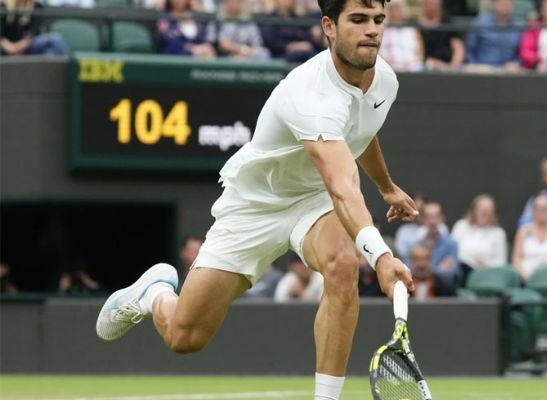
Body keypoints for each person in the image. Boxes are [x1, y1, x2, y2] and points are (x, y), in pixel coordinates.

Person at [96, 2, 416, 400]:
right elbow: (342, 186)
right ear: (329, 27)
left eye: (378, 20)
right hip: (257, 202)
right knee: (185, 336)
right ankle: (155, 294)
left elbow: (360, 132)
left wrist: (385, 185)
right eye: (358, 20)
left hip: (313, 198)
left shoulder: (384, 80)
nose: (372, 31)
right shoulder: (309, 94)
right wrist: (383, 257)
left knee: (343, 262)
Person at [451, 194, 508, 283]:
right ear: (473, 210)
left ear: (493, 213)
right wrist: (471, 262)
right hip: (461, 269)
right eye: (481, 209)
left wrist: (487, 264)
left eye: (488, 210)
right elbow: (452, 251)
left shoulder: (498, 233)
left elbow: (501, 262)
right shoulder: (461, 226)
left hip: (485, 273)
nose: (484, 213)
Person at [513, 195, 547, 281]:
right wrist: (525, 275)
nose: (543, 212)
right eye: (540, 209)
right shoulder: (523, 232)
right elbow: (516, 260)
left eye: (546, 208)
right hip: (526, 279)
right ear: (533, 210)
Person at [464, 0, 524, 73]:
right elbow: (470, 49)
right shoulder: (480, 22)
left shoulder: (520, 25)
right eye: (501, 3)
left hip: (509, 69)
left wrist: (516, 63)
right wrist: (473, 64)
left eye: (507, 3)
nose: (505, 6)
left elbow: (523, 52)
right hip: (482, 67)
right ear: (494, 5)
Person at [1, 0, 69, 56]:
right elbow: (1, 35)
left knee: (52, 44)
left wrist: (18, 47)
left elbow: (34, 32)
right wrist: (12, 48)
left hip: (30, 45)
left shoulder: (36, 6)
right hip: (9, 48)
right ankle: (72, 66)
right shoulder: (4, 6)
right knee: (51, 47)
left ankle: (70, 66)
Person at [412, 201, 460, 280]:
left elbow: (454, 273)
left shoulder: (452, 244)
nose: (432, 221)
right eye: (429, 217)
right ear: (423, 219)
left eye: (436, 216)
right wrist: (439, 269)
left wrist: (425, 268)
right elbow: (413, 270)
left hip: (444, 289)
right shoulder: (417, 244)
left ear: (442, 218)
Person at [417, 0, 465, 71]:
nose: (431, 2)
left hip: (448, 69)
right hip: (423, 70)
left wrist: (452, 67)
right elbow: (417, 54)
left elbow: (458, 48)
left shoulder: (448, 23)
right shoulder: (414, 26)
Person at [378, 0, 423, 72]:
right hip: (388, 69)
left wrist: (410, 64)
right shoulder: (381, 30)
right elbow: (378, 53)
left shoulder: (412, 30)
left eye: (397, 9)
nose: (395, 13)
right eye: (392, 9)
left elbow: (420, 54)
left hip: (412, 70)